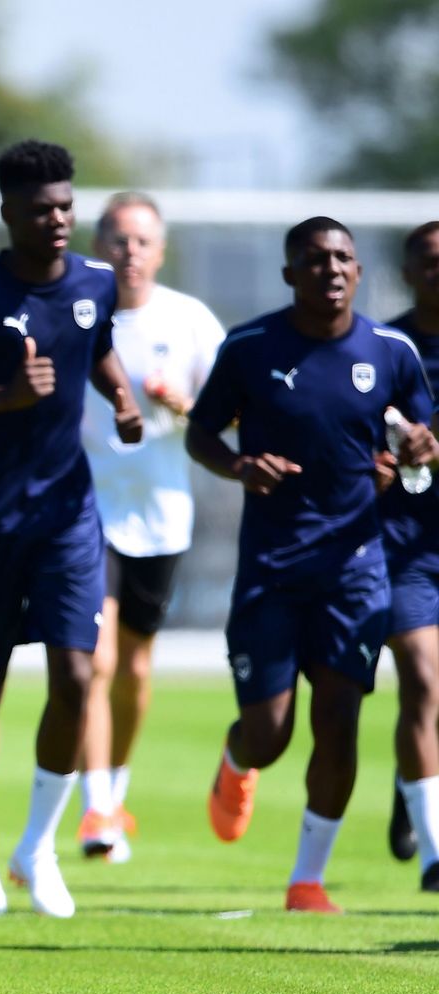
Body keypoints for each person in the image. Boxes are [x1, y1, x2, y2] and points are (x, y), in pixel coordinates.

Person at [0, 140, 143, 919]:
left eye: (66, 207)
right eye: (41, 209)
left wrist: (120, 398)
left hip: (69, 517)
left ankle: (37, 847)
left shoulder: (95, 283)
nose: (57, 220)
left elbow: (98, 346)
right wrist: (3, 398)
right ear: (9, 214)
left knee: (80, 678)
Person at [189, 217, 436, 912]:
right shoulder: (249, 348)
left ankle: (307, 880)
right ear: (289, 274)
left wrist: (415, 455)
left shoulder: (391, 352)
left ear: (358, 272)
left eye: (343, 259)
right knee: (270, 733)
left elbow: (420, 442)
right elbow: (201, 432)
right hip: (271, 567)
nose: (331, 269)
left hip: (356, 567)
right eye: (315, 259)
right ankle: (238, 762)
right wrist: (239, 465)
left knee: (340, 716)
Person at [77, 193, 225, 862]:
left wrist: (182, 402)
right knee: (96, 658)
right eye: (116, 238)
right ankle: (95, 810)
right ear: (97, 243)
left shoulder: (189, 321)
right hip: (85, 510)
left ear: (160, 251)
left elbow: (235, 419)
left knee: (135, 668)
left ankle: (117, 788)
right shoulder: (76, 309)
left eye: (141, 241)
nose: (128, 251)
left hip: (162, 515)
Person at [385, 220, 439, 889]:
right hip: (404, 545)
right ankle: (434, 852)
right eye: (426, 260)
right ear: (405, 271)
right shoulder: (386, 349)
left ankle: (410, 786)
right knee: (424, 678)